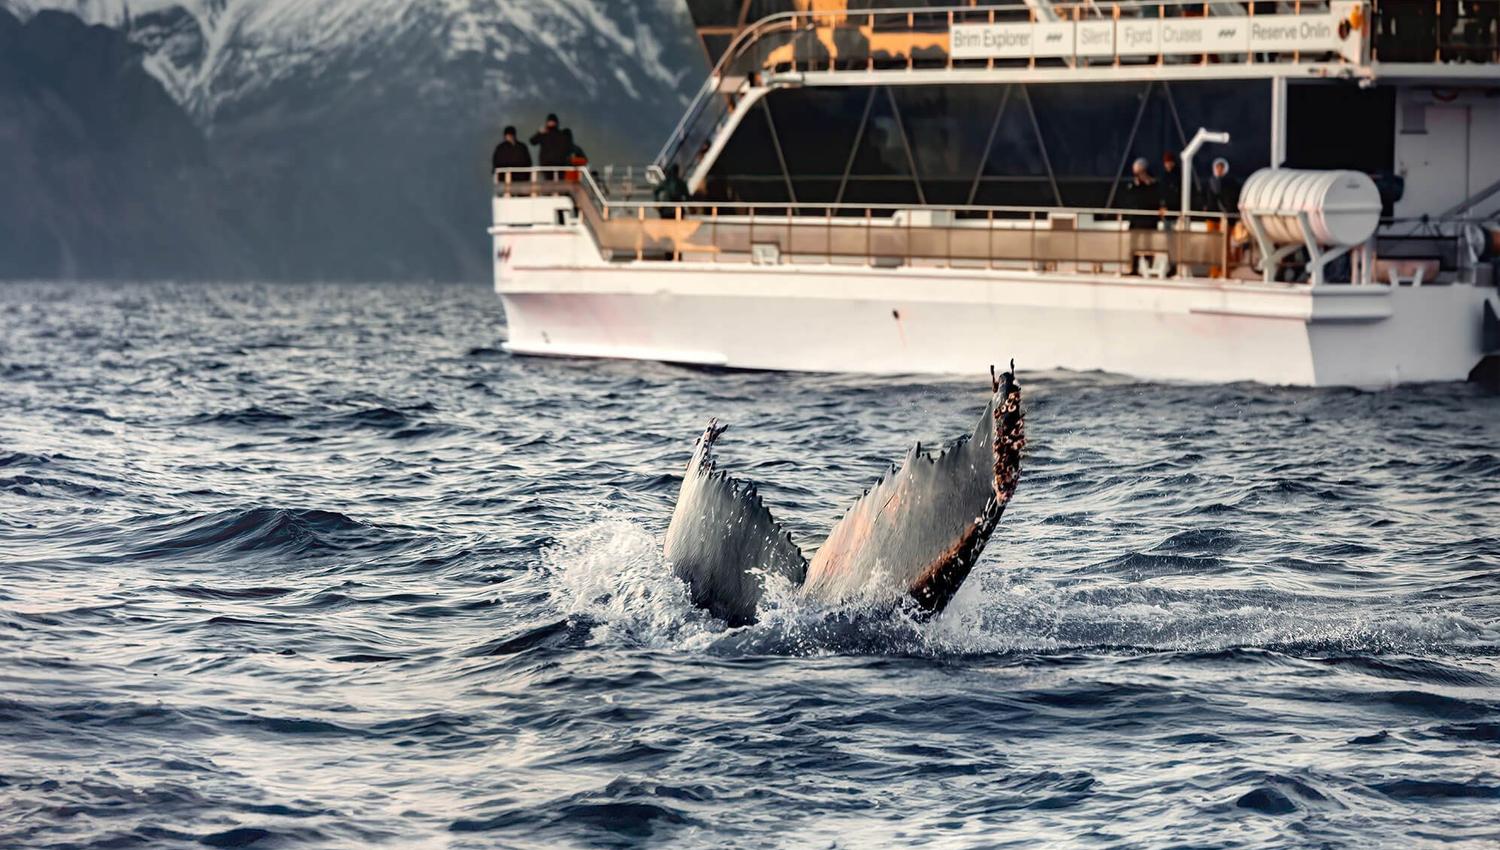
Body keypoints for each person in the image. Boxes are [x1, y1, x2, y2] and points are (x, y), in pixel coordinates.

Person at [530, 113, 575, 178]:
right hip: (548, 165)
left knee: (558, 182)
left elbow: (568, 148)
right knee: (550, 181)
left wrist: (539, 133)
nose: (551, 123)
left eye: (552, 121)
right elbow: (532, 141)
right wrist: (539, 133)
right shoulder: (544, 134)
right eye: (550, 121)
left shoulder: (561, 135)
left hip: (558, 164)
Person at [1118, 157, 1159, 230]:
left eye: (1141, 173)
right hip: (1135, 220)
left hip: (1149, 220)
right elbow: (1128, 201)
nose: (1140, 176)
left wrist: (1148, 184)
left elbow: (1154, 200)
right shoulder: (1132, 186)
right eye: (1137, 174)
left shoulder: (1153, 185)